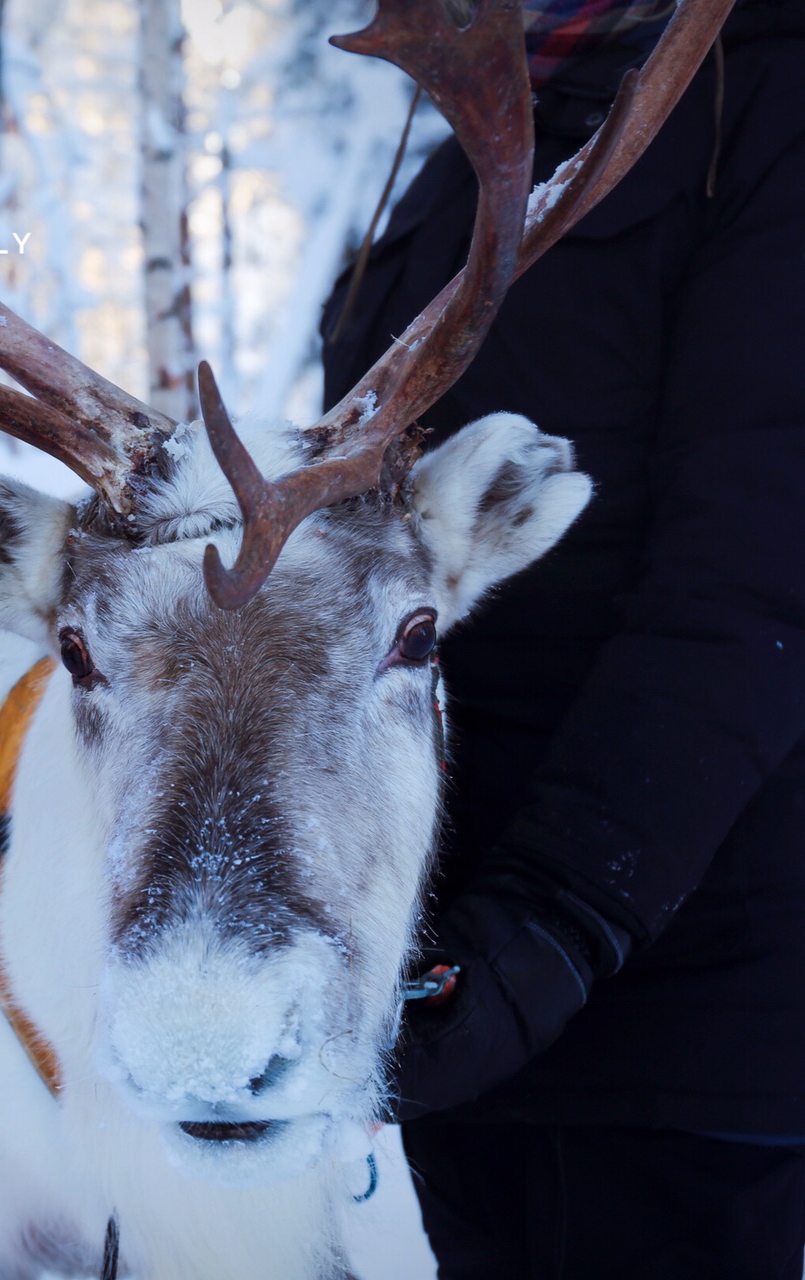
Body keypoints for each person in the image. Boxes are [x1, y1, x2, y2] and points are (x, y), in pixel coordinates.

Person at [321, 1, 805, 1275]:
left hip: (685, 1008)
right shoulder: (480, 128)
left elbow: (756, 582)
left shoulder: (771, 103)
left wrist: (550, 924)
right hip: (461, 1000)